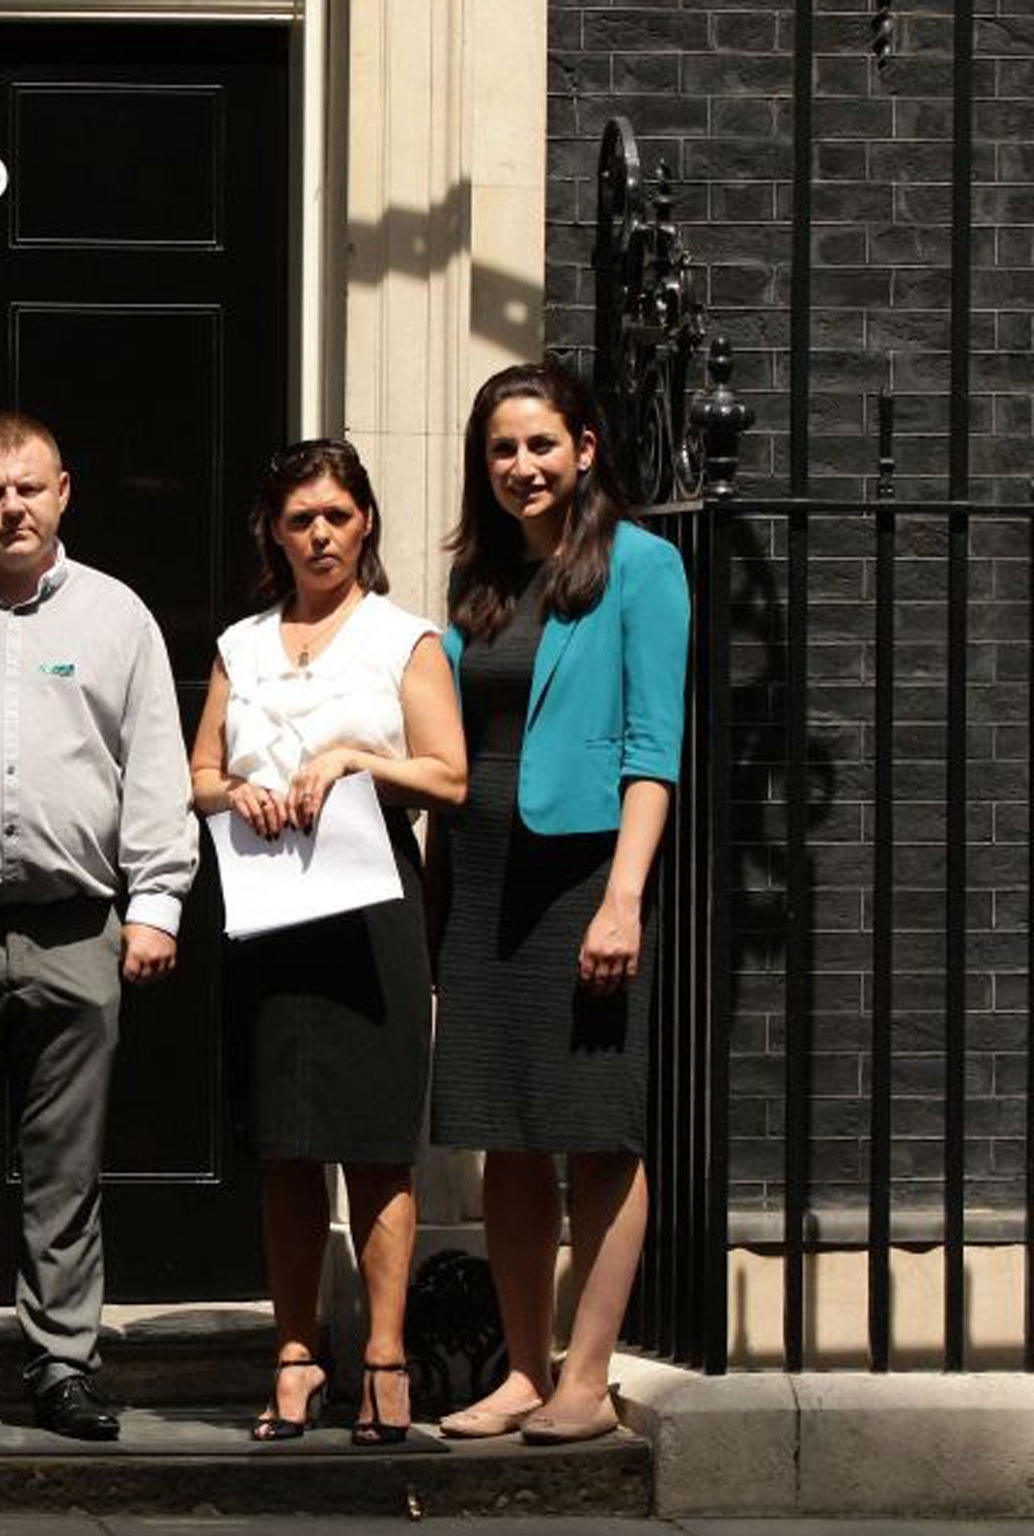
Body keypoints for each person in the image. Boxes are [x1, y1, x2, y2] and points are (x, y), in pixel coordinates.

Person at [0, 408, 199, 1443]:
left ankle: (63, 1360)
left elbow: (155, 765)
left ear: (63, 491)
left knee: (65, 1160)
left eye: (29, 487)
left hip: (79, 927)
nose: (11, 506)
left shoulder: (116, 617)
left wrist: (155, 904)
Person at [427, 361, 689, 1444]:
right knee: (507, 1136)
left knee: (595, 1135)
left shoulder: (641, 567)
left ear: (584, 447)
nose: (519, 466)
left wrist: (622, 899)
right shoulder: (477, 585)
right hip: (480, 878)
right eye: (500, 449)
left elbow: (649, 750)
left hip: (583, 877)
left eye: (539, 444)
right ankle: (521, 1372)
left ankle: (586, 1377)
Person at [188, 438, 467, 1445]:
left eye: (335, 517)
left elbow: (448, 777)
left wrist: (353, 758)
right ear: (273, 530)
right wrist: (241, 790)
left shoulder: (404, 640)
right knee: (284, 1146)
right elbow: (197, 773)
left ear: (364, 525)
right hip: (267, 900)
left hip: (367, 900)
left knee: (373, 1143)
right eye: (299, 518)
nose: (318, 535)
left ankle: (383, 1360)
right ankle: (295, 1355)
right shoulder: (241, 644)